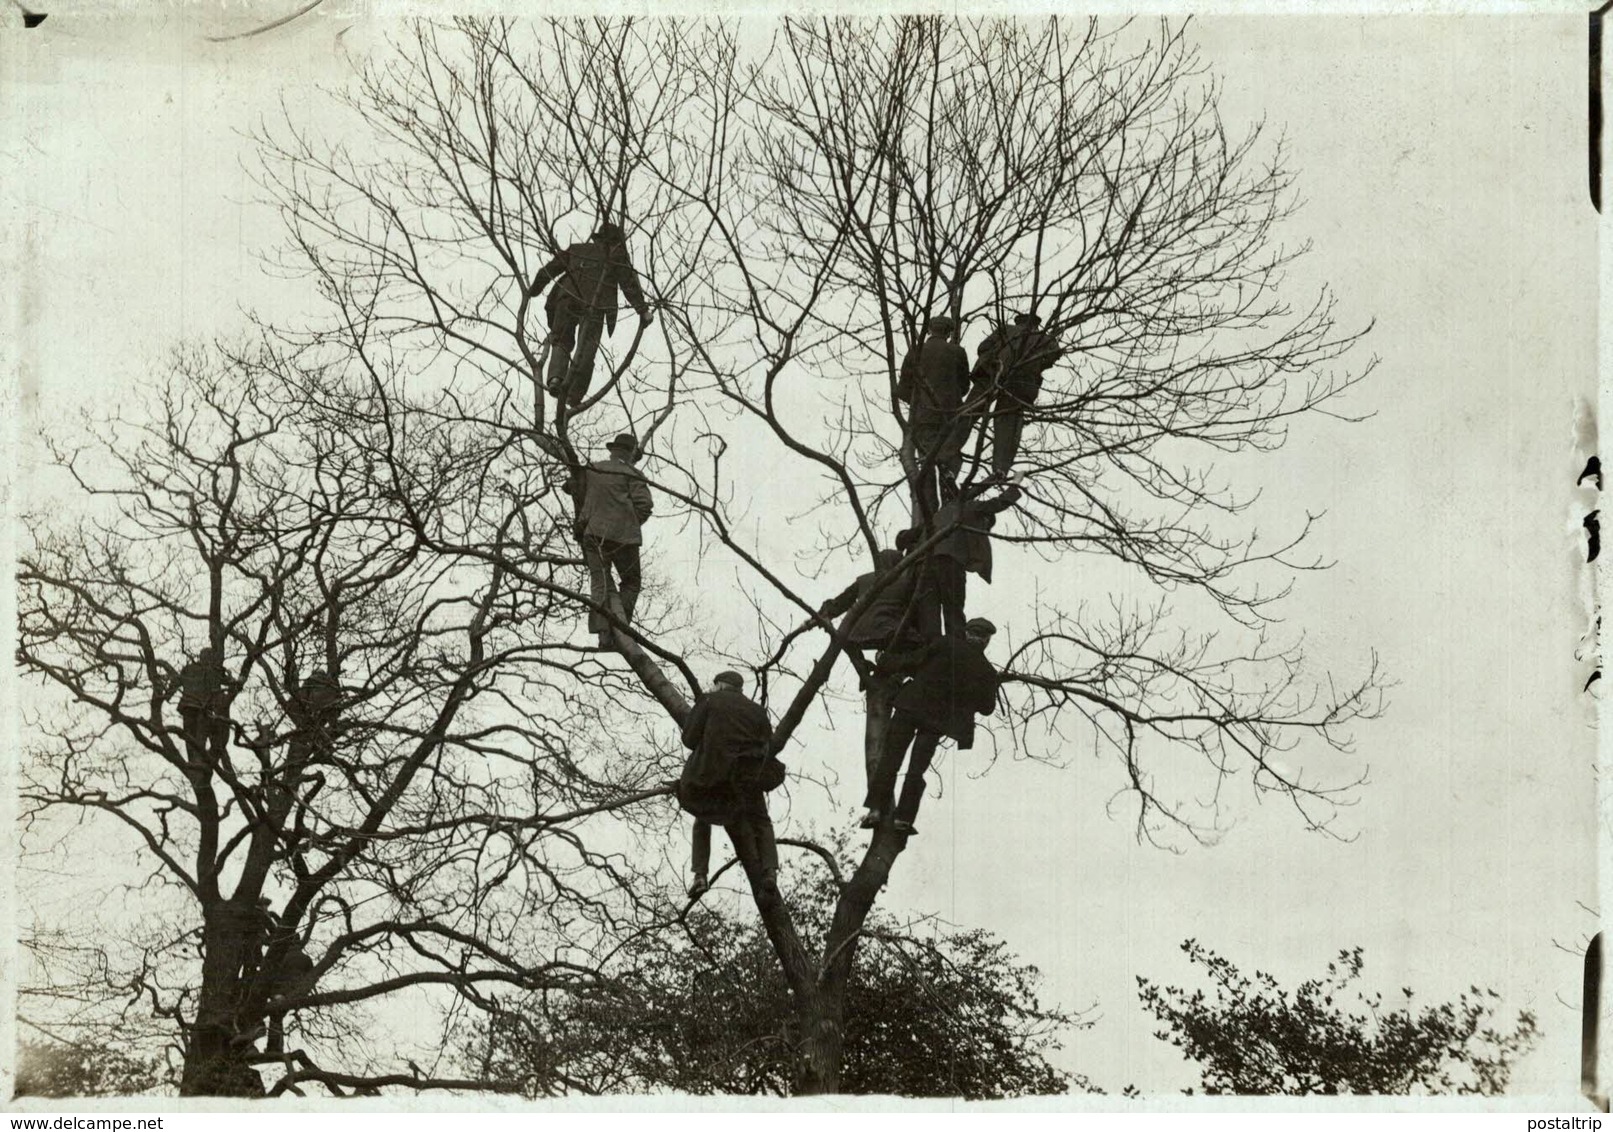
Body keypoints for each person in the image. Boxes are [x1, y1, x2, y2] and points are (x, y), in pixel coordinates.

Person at [861, 617, 1001, 835]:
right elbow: (987, 708)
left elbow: (913, 660)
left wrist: (885, 660)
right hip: (937, 721)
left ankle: (875, 811)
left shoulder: (945, 644)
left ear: (966, 633)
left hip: (909, 707)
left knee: (890, 759)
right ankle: (903, 820)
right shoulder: (986, 671)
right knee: (917, 769)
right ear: (986, 641)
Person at [818, 548, 927, 788]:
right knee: (919, 650)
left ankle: (865, 669)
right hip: (889, 633)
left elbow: (837, 604)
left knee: (853, 642)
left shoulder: (864, 579)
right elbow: (917, 613)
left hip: (859, 636)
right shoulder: (907, 579)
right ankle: (897, 674)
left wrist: (824, 613)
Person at [677, 671, 781, 900]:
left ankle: (700, 875)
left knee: (702, 818)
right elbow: (767, 743)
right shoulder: (757, 710)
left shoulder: (709, 700)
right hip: (748, 776)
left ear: (721, 686)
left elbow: (689, 739)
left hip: (713, 776)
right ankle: (770, 871)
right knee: (761, 820)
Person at [527, 222, 653, 409]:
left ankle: (555, 378)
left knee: (561, 340)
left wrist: (533, 290)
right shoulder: (616, 254)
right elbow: (628, 283)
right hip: (596, 304)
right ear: (616, 241)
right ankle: (574, 394)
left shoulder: (577, 249)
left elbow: (550, 269)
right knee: (587, 348)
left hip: (565, 298)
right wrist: (642, 310)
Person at [568, 433, 654, 647]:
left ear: (613, 450)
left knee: (600, 584)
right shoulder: (633, 473)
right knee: (632, 583)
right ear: (631, 452)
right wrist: (629, 522)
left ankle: (603, 635)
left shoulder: (592, 469)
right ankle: (620, 631)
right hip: (623, 538)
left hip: (593, 534)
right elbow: (645, 505)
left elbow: (572, 487)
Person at [910, 478, 1024, 638]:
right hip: (949, 562)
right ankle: (956, 652)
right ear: (984, 518)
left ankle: (932, 651)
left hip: (921, 566)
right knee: (954, 612)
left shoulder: (940, 514)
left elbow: (906, 538)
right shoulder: (971, 508)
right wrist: (1016, 483)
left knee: (928, 616)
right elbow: (998, 503)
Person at [897, 315, 976, 517]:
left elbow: (902, 389)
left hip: (923, 418)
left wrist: (918, 401)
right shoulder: (957, 352)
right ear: (949, 333)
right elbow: (964, 386)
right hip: (950, 417)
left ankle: (930, 516)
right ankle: (948, 502)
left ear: (930, 330)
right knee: (950, 458)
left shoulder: (915, 351)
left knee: (927, 466)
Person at [973, 312, 1063, 479]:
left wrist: (997, 359)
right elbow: (1054, 355)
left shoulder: (1007, 329)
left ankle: (946, 452)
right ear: (1036, 324)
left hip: (993, 376)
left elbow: (983, 347)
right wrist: (1037, 364)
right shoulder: (1044, 338)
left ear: (1018, 322)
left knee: (969, 413)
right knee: (1007, 425)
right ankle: (1000, 468)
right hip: (1023, 384)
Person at [172, 645, 234, 770]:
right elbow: (227, 683)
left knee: (190, 737)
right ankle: (197, 764)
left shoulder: (189, 668)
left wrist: (165, 695)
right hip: (202, 708)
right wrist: (230, 677)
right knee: (199, 738)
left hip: (188, 707)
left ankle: (193, 763)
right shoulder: (212, 671)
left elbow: (175, 682)